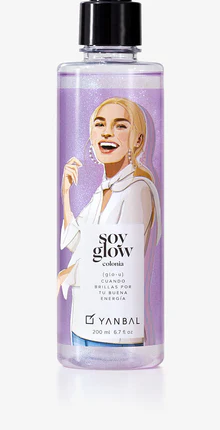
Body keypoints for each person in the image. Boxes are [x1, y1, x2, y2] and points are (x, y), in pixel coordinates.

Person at [57, 97, 161, 346]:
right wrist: (65, 195)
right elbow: (75, 243)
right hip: (82, 326)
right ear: (91, 135)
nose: (107, 132)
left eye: (120, 125)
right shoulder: (101, 192)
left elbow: (113, 264)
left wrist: (67, 274)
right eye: (100, 124)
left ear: (138, 140)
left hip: (117, 334)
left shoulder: (138, 190)